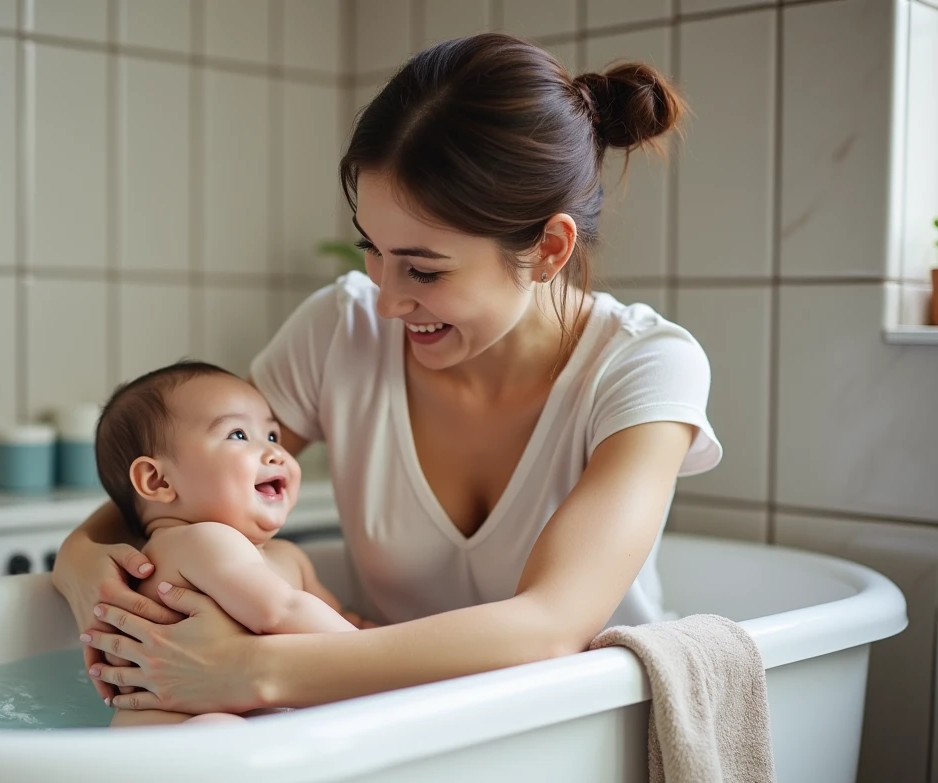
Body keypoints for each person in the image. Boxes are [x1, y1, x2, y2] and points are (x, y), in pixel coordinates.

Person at [53, 32, 722, 716]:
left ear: (548, 249)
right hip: (390, 729)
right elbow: (172, 480)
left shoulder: (645, 367)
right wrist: (78, 566)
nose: (387, 300)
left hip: (577, 731)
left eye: (424, 269)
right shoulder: (340, 332)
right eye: (372, 250)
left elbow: (550, 627)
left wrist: (256, 670)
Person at [89, 361, 365, 725]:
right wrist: (382, 662)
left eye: (271, 436)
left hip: (246, 731)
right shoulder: (197, 541)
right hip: (166, 734)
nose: (275, 453)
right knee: (217, 729)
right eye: (238, 435)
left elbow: (340, 623)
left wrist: (368, 631)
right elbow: (281, 612)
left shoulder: (289, 558)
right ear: (157, 481)